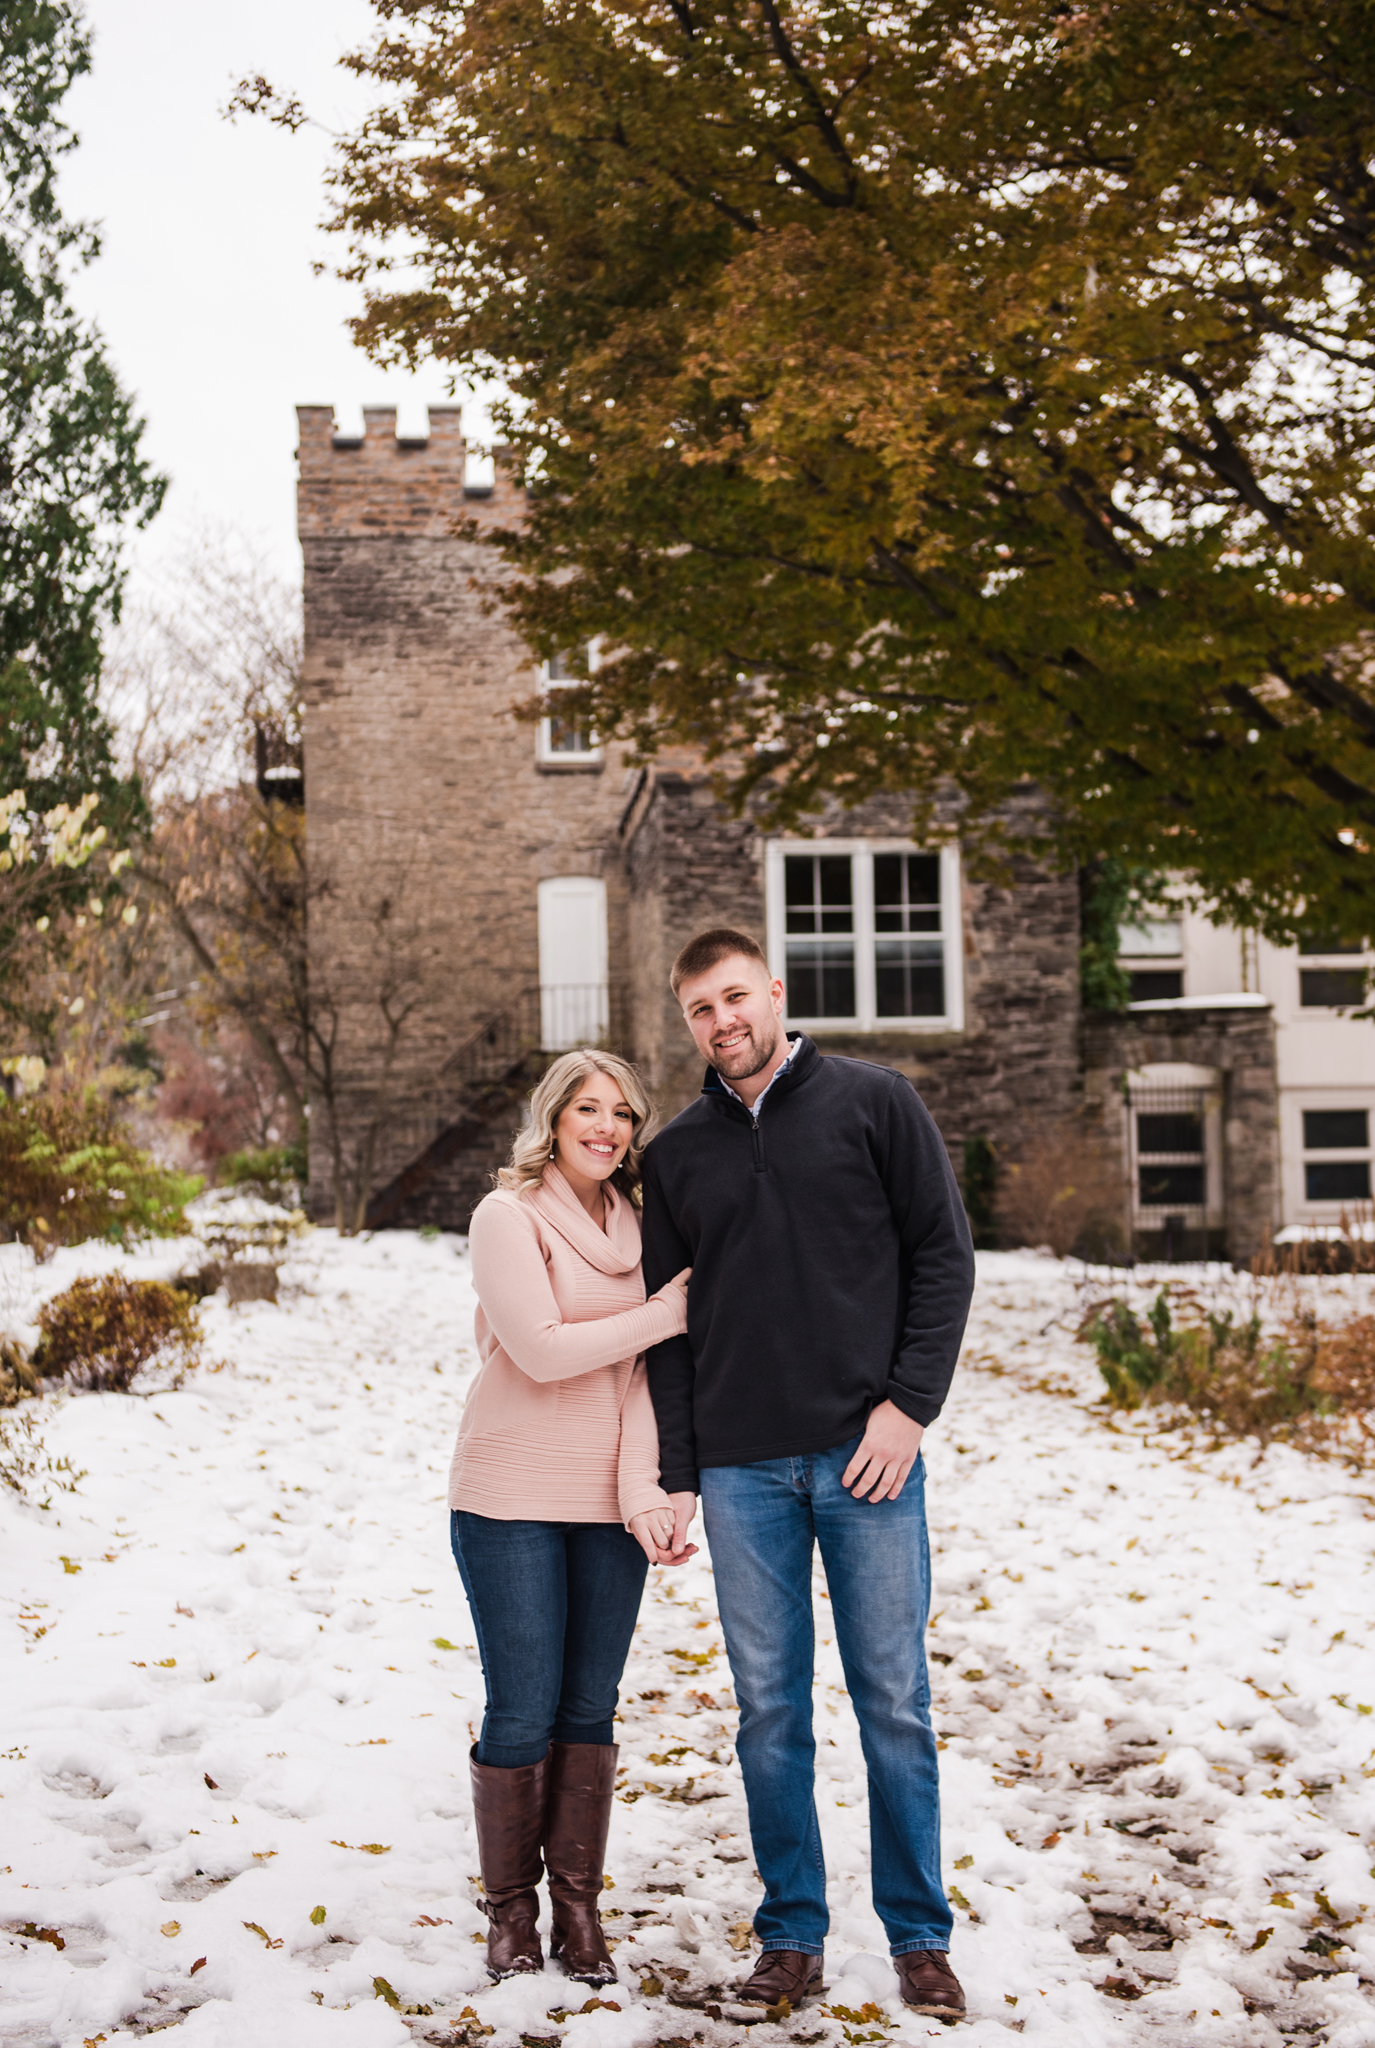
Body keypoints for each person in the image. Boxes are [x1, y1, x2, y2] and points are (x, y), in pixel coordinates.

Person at [640, 929, 977, 2022]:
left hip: (866, 1458)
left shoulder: (875, 1102)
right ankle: (790, 1933)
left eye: (735, 995)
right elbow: (672, 1331)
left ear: (774, 993)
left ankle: (919, 1936)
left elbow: (943, 1253)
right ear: (687, 1022)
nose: (721, 1019)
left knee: (893, 1701)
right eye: (699, 1008)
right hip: (742, 1473)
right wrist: (679, 1470)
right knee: (768, 1710)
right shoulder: (679, 1153)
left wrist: (908, 1407)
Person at [449, 1048, 693, 1985]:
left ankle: (577, 1912)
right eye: (588, 1109)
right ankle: (509, 1914)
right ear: (553, 1120)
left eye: (624, 1113)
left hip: (603, 1504)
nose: (607, 1127)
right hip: (508, 1493)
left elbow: (636, 1384)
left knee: (589, 1708)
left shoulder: (642, 1229)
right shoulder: (505, 1216)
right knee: (522, 1707)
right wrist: (663, 1317)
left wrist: (645, 1494)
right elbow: (545, 1353)